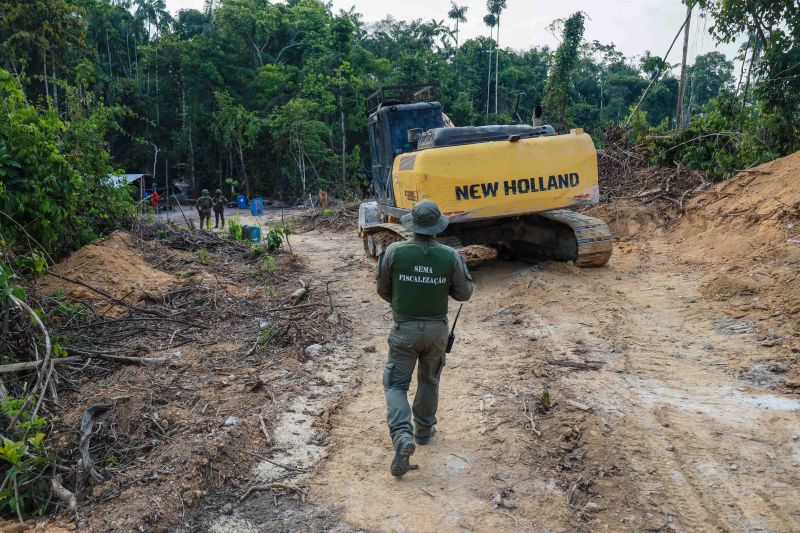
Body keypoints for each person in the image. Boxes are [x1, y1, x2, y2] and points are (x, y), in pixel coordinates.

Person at [376, 199, 473, 477]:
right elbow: (465, 293)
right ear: (437, 226)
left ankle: (402, 436)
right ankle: (423, 431)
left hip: (404, 330)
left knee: (396, 384)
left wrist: (404, 299)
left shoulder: (394, 251)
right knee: (429, 379)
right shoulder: (450, 256)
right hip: (436, 332)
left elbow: (383, 289)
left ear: (412, 225)